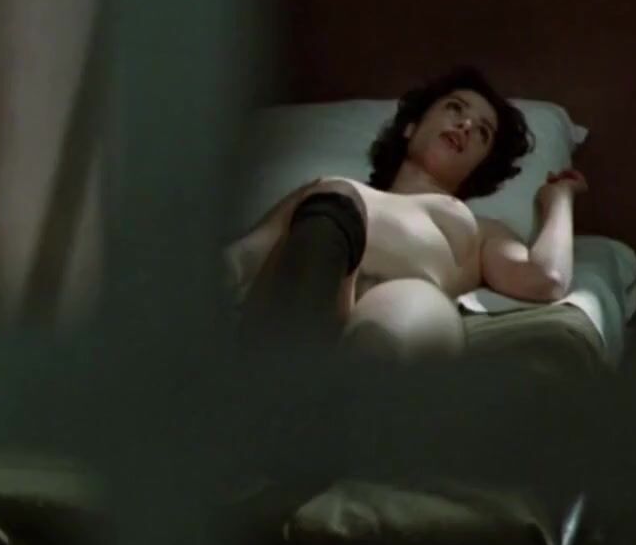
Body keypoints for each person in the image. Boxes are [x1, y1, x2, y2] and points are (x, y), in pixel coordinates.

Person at [226, 65, 588, 361]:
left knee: (412, 301)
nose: (466, 125)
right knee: (335, 201)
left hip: (391, 326)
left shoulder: (482, 231)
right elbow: (241, 260)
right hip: (297, 301)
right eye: (455, 108)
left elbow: (546, 278)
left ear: (479, 166)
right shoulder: (326, 189)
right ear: (411, 127)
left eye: (482, 132)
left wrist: (558, 199)